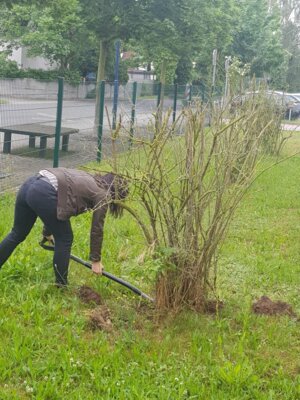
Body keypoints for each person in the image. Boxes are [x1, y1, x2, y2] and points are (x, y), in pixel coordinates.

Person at [0, 168, 129, 286]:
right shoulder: (103, 195)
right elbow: (97, 229)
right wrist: (96, 260)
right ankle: (61, 285)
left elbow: (59, 201)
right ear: (117, 194)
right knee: (65, 237)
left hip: (30, 184)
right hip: (42, 191)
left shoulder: (89, 179)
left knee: (17, 233)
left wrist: (47, 232)